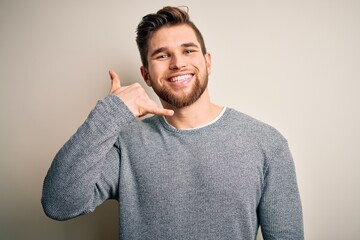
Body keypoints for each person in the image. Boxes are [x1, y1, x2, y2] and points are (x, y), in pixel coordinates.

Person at [42, 6, 304, 240]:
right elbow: (59, 203)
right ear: (146, 74)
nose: (178, 63)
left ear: (207, 62)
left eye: (188, 50)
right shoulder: (126, 144)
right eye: (162, 56)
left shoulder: (266, 143)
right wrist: (111, 112)